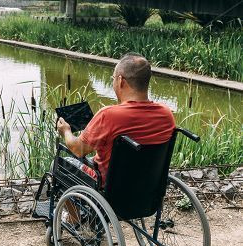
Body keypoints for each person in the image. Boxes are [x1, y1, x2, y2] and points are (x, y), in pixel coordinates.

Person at [56, 53, 176, 223]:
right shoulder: (166, 114)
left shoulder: (108, 115)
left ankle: (74, 218)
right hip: (147, 188)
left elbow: (78, 149)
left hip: (109, 190)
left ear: (120, 81)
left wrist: (66, 131)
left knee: (61, 164)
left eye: (113, 78)